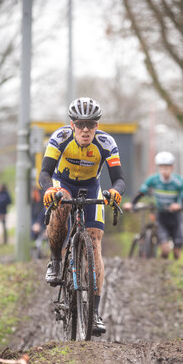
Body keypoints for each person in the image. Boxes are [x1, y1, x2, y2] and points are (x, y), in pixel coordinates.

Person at [38, 97, 126, 335]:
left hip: (91, 186)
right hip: (63, 183)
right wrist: (49, 189)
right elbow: (45, 173)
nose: (85, 129)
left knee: (95, 243)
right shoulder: (60, 138)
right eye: (80, 124)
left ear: (97, 125)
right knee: (61, 203)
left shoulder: (106, 143)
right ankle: (56, 261)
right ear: (72, 124)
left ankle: (94, 312)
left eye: (91, 124)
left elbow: (119, 178)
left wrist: (115, 192)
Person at [124, 151, 183, 260]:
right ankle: (162, 270)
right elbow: (141, 193)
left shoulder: (179, 182)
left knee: (177, 253)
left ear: (172, 167)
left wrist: (178, 206)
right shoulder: (153, 180)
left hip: (175, 217)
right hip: (161, 216)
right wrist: (132, 203)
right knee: (165, 250)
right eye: (162, 167)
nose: (164, 170)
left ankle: (176, 273)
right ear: (159, 168)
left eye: (167, 167)